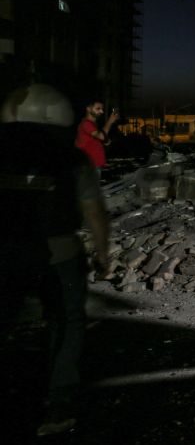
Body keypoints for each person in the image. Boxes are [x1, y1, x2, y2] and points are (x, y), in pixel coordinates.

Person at [0, 84, 112, 436]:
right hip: (60, 252)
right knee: (66, 321)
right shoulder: (71, 157)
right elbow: (93, 212)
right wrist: (102, 252)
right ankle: (59, 401)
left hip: (6, 252)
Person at [74, 99, 119, 174]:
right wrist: (110, 121)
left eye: (102, 109)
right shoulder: (86, 124)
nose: (101, 111)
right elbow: (101, 136)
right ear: (88, 109)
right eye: (98, 108)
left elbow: (95, 139)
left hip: (92, 166)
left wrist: (104, 142)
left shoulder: (92, 125)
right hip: (88, 168)